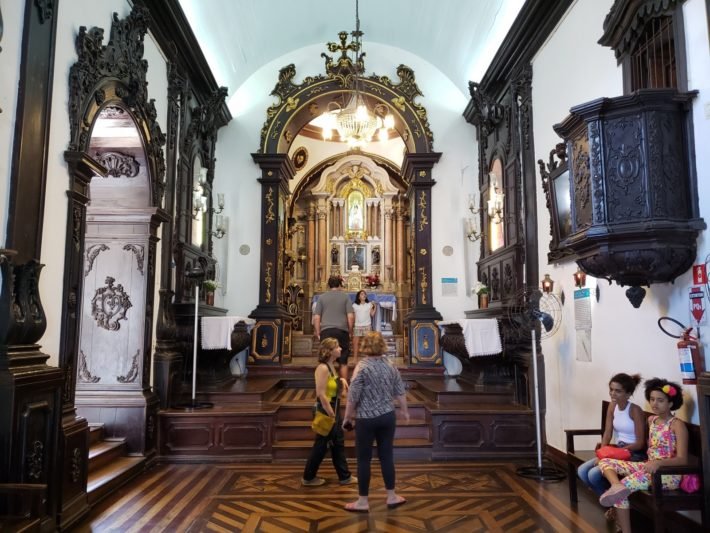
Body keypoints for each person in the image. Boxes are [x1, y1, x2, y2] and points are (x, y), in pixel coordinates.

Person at [598, 378, 688, 533]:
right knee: (606, 462)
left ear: (671, 403)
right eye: (652, 399)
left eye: (660, 400)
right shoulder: (651, 420)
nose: (654, 404)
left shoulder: (677, 425)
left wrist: (659, 464)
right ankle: (616, 485)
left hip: (667, 474)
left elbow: (683, 459)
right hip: (648, 468)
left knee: (623, 489)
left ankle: (625, 528)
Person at [342, 331, 409, 512]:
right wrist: (404, 411)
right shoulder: (390, 365)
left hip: (366, 419)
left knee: (364, 459)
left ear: (365, 346)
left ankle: (363, 502)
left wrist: (347, 417)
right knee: (387, 456)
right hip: (387, 416)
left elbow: (352, 397)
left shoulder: (361, 367)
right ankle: (392, 496)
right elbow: (400, 391)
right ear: (382, 345)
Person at [577, 373, 646, 497]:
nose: (613, 393)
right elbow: (607, 433)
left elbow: (640, 443)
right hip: (617, 450)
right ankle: (612, 502)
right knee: (582, 471)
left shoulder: (635, 410)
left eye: (618, 391)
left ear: (628, 394)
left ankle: (615, 503)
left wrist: (614, 453)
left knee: (593, 474)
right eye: (611, 389)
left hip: (634, 453)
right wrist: (602, 453)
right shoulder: (612, 405)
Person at [301, 338, 356, 487]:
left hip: (334, 407)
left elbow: (333, 388)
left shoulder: (332, 366)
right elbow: (321, 394)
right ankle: (308, 477)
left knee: (336, 443)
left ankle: (344, 477)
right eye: (337, 347)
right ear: (329, 351)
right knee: (322, 445)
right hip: (326, 409)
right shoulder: (323, 368)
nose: (340, 349)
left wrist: (342, 381)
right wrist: (331, 414)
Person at [313, 275, 354, 381]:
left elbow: (317, 317)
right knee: (343, 361)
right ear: (340, 285)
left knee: (326, 360)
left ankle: (325, 386)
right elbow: (350, 316)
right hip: (342, 331)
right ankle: (344, 389)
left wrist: (318, 332)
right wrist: (350, 331)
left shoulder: (322, 297)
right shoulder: (345, 297)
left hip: (326, 331)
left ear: (328, 285)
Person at [352, 290, 376, 365]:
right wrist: (352, 326)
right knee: (355, 343)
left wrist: (375, 307)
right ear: (359, 296)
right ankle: (355, 359)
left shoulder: (369, 304)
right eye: (362, 294)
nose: (364, 295)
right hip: (358, 326)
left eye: (365, 294)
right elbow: (354, 317)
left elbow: (372, 314)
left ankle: (368, 359)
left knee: (368, 343)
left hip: (367, 326)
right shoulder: (354, 305)